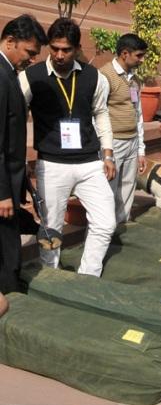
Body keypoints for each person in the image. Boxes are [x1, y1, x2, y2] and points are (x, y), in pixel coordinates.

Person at [19, 18, 117, 276]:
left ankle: (88, 276)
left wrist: (108, 154)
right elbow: (15, 115)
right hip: (52, 165)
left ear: (77, 48)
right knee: (51, 229)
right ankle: (50, 275)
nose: (59, 55)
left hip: (90, 163)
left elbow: (102, 114)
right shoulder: (31, 76)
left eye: (66, 50)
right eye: (54, 48)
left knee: (106, 222)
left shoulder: (94, 76)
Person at [0, 14, 47, 293]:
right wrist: (3, 192)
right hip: (2, 187)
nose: (31, 59)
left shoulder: (9, 74)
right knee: (6, 252)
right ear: (9, 42)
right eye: (29, 52)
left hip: (10, 179)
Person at [99, 34, 148, 224]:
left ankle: (122, 227)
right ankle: (105, 232)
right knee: (108, 189)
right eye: (139, 55)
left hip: (132, 141)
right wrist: (106, 152)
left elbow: (138, 113)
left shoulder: (134, 80)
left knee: (128, 188)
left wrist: (141, 149)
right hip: (114, 143)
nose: (142, 59)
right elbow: (98, 113)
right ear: (125, 54)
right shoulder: (105, 76)